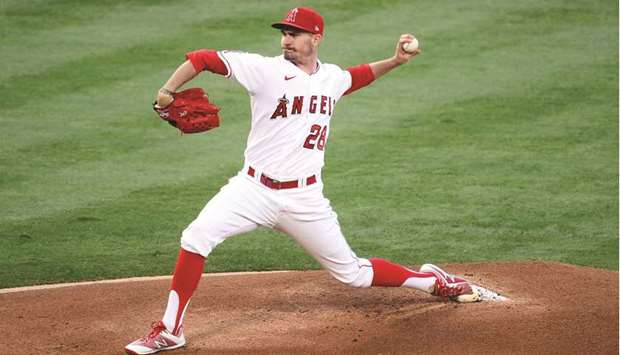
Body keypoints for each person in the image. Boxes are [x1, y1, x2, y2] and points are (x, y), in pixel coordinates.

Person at [125, 7, 480, 355]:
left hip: (304, 198)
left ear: (316, 38)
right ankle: (171, 330)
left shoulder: (332, 78)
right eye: (284, 34)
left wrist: (395, 61)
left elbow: (356, 76)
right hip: (252, 190)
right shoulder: (264, 70)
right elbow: (201, 58)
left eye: (294, 34)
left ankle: (432, 281)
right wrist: (167, 91)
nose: (286, 41)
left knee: (352, 275)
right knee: (195, 237)